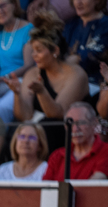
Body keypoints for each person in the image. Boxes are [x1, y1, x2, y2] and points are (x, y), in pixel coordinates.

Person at [10, 15, 89, 154]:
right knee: (16, 129)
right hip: (41, 130)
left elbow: (57, 113)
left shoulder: (76, 74)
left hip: (68, 131)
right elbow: (25, 116)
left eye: (39, 50)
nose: (34, 55)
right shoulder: (32, 73)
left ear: (55, 51)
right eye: (33, 50)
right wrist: (17, 94)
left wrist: (41, 92)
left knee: (48, 127)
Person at [0, 0, 32, 123]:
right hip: (1, 84)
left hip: (21, 82)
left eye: (2, 5)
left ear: (14, 5)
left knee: (1, 109)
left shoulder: (29, 30)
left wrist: (4, 78)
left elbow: (29, 65)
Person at [43, 101, 108, 178]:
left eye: (81, 123)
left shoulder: (105, 151)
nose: (75, 129)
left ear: (94, 123)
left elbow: (95, 184)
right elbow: (45, 188)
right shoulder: (57, 156)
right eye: (70, 124)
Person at [64, 0, 108, 89]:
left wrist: (75, 59)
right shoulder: (71, 25)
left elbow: (94, 55)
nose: (78, 2)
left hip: (96, 84)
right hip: (67, 80)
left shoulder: (105, 25)